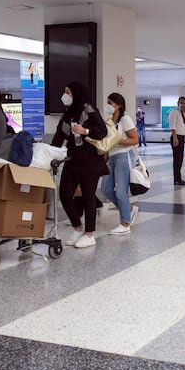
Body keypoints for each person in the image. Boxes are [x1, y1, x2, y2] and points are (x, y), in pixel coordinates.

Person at [50, 82, 108, 248]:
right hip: (72, 160)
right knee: (65, 193)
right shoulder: (67, 114)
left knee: (88, 197)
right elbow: (59, 136)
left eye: (68, 92)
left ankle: (90, 234)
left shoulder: (89, 109)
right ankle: (77, 227)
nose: (65, 95)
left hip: (90, 162)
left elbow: (102, 130)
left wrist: (86, 131)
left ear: (76, 93)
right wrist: (49, 152)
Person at [101, 93, 139, 235]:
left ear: (119, 105)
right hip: (111, 157)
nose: (108, 106)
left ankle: (125, 223)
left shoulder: (125, 119)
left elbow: (134, 139)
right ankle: (128, 210)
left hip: (124, 156)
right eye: (107, 102)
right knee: (106, 189)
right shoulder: (109, 121)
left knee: (121, 190)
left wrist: (117, 141)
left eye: (111, 103)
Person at [168, 96, 185, 185]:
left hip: (182, 137)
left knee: (180, 159)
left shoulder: (183, 112)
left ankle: (179, 177)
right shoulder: (174, 112)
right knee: (177, 159)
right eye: (181, 103)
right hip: (176, 137)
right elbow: (173, 126)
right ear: (178, 103)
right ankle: (176, 179)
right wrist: (175, 137)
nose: (183, 105)